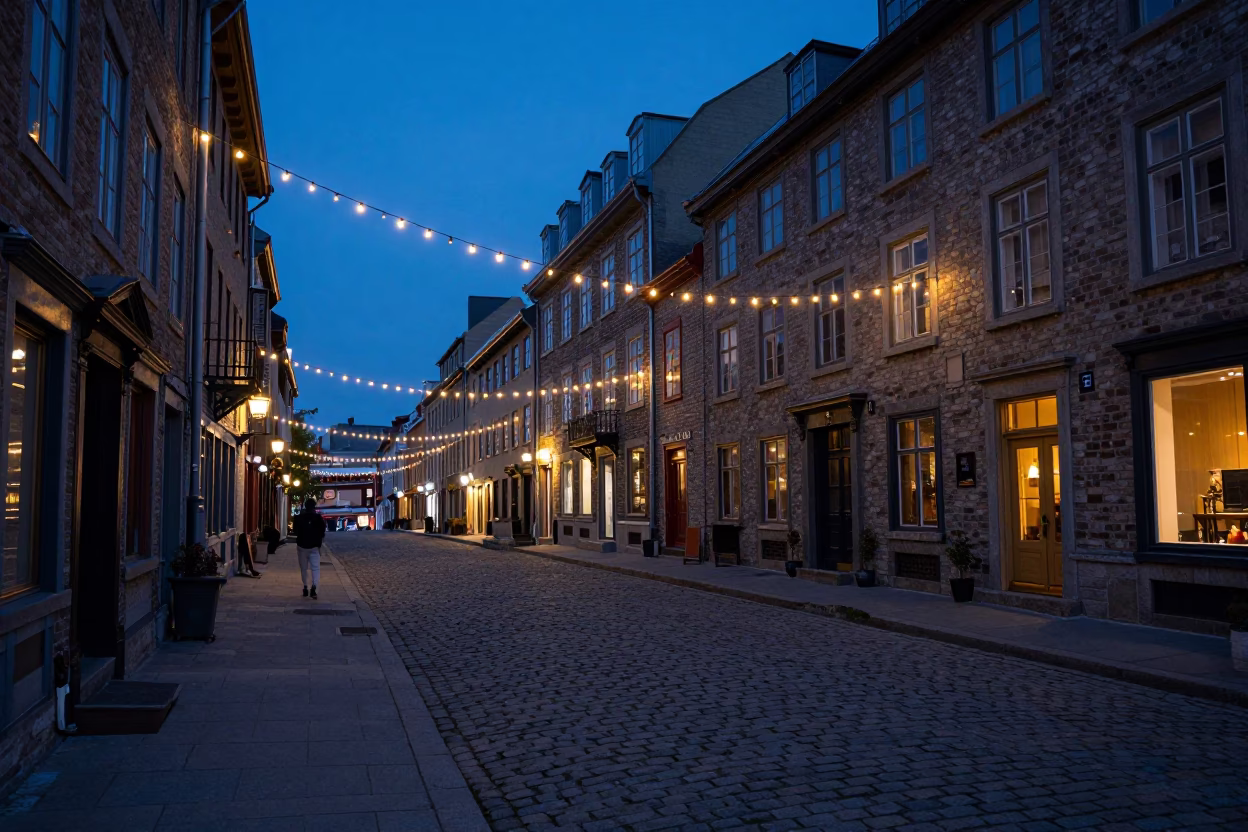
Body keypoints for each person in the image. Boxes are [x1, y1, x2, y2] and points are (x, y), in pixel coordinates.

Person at [292, 497, 326, 599]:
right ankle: (314, 588)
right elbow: (322, 532)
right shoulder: (318, 518)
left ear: (305, 506)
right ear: (314, 507)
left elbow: (295, 531)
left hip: (302, 546)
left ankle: (305, 587)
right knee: (315, 568)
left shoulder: (298, 518)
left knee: (303, 568)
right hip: (314, 547)